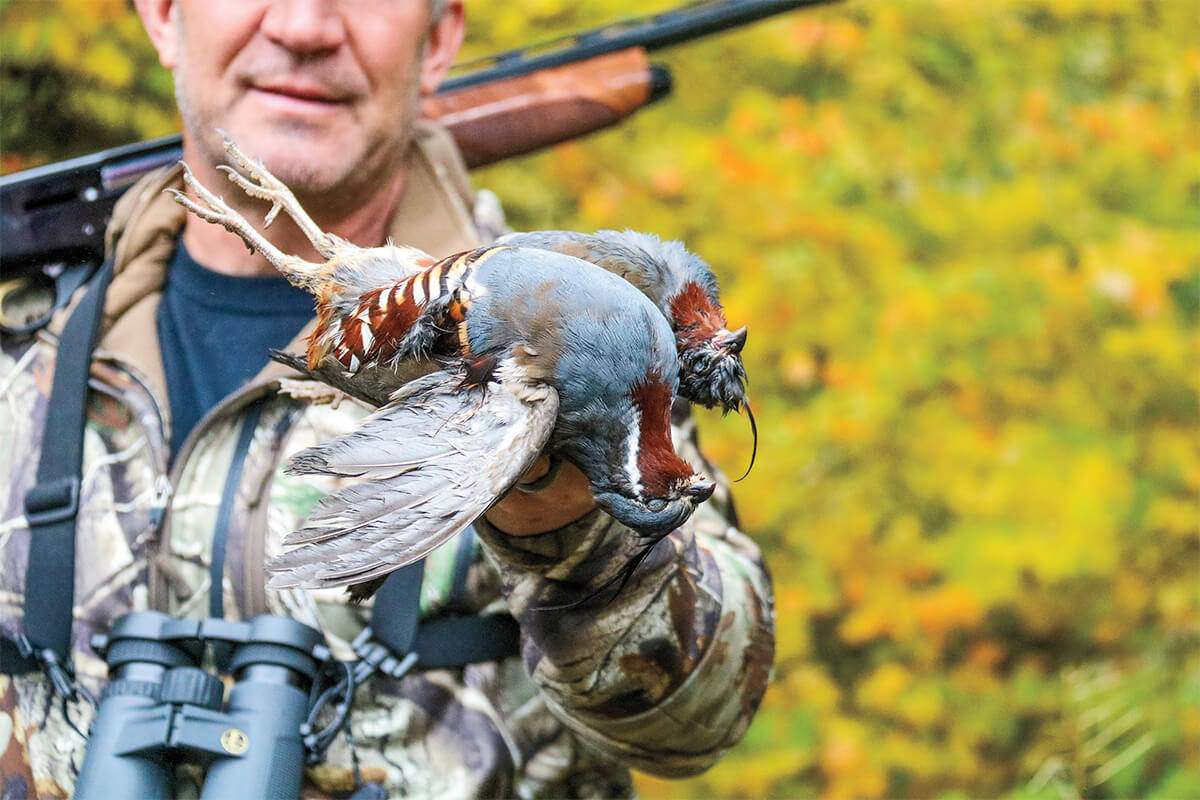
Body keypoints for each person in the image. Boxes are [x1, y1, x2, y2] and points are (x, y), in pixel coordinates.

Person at [0, 0, 775, 796]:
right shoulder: (21, 361)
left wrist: (558, 508)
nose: (303, 27)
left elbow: (697, 719)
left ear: (438, 39)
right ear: (163, 15)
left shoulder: (595, 337)